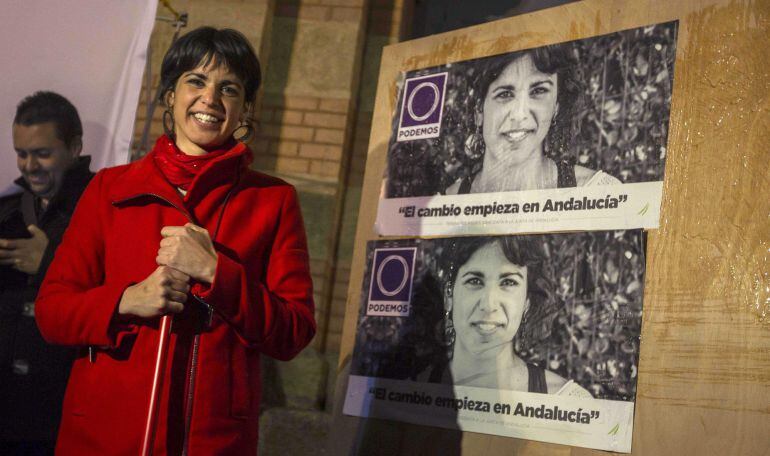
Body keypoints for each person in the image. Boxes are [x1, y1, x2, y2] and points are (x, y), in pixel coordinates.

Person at [35, 27, 316, 455]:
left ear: (245, 110)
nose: (210, 99)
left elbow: (292, 332)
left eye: (229, 88)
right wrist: (127, 299)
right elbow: (52, 312)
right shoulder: (110, 188)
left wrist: (216, 273)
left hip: (211, 442)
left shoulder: (273, 201)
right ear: (170, 94)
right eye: (196, 81)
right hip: (102, 436)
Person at [0, 91, 93, 455]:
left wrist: (50, 264)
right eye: (21, 153)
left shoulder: (102, 207)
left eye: (42, 153)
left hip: (60, 416)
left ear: (74, 147)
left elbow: (118, 293)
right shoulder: (7, 206)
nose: (28, 165)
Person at [426, 236, 590, 396]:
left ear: (527, 301)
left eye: (508, 282)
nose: (489, 305)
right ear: (448, 297)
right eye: (474, 281)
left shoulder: (567, 400)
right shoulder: (411, 385)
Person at [446, 45, 620, 194]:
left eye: (538, 91)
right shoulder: (448, 201)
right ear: (479, 110)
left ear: (556, 106)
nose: (520, 114)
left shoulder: (595, 192)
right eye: (505, 94)